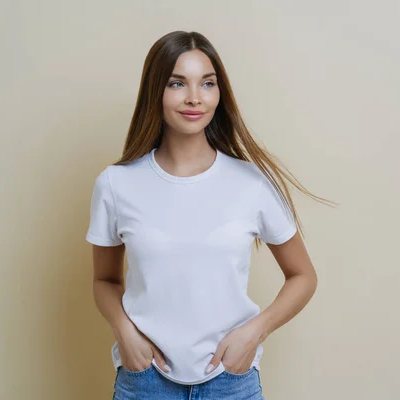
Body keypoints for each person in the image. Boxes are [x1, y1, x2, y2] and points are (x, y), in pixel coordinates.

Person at [85, 31, 333, 399]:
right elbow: (105, 280)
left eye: (207, 83)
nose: (194, 97)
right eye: (176, 83)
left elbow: (303, 276)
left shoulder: (253, 183)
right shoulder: (117, 184)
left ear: (220, 93)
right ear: (156, 91)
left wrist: (255, 332)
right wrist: (124, 331)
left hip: (231, 383)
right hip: (145, 382)